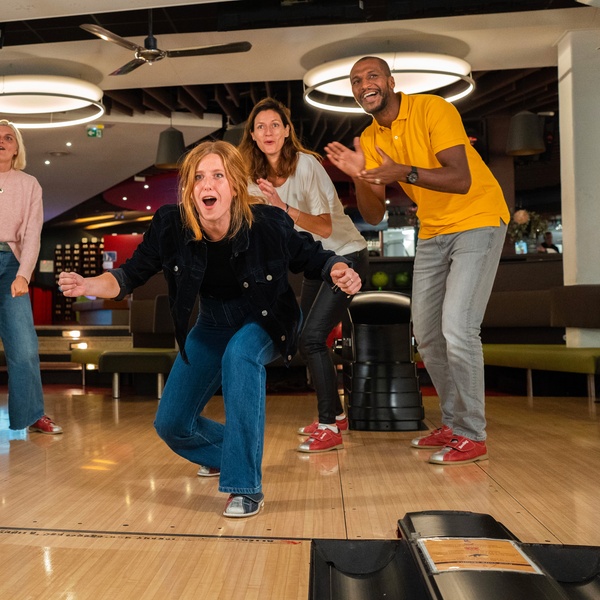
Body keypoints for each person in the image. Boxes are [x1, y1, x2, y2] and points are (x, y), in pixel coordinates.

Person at [58, 140, 361, 517]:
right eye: (198, 177)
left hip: (267, 318)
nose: (207, 184)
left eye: (218, 175)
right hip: (212, 322)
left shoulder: (266, 222)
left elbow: (313, 257)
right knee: (171, 424)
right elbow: (128, 276)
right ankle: (231, 455)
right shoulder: (170, 225)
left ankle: (244, 486)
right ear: (188, 188)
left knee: (240, 355)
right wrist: (89, 285)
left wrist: (339, 270)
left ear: (234, 185)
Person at [325, 57, 509, 465]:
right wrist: (360, 174)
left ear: (390, 81)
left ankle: (472, 434)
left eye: (372, 76)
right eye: (356, 81)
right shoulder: (370, 138)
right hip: (433, 231)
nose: (364, 84)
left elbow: (460, 178)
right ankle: (453, 423)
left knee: (458, 327)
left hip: (478, 219)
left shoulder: (433, 109)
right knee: (425, 334)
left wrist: (401, 172)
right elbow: (375, 214)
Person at [238, 97, 369, 453]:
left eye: (275, 125)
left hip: (346, 256)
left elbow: (324, 227)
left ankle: (329, 427)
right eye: (261, 126)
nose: (268, 132)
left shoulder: (307, 165)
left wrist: (282, 207)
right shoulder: (252, 178)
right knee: (304, 339)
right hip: (316, 261)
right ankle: (336, 415)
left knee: (312, 338)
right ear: (253, 135)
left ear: (286, 131)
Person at [0, 119, 62, 436]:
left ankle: (32, 415)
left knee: (24, 347)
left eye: (8, 137)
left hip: (12, 264)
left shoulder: (29, 184)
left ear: (16, 148)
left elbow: (32, 234)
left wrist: (24, 274)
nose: (1, 141)